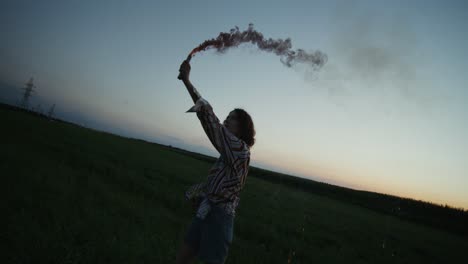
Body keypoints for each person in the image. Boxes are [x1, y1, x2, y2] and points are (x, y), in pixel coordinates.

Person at [175, 59, 255, 264]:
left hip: (220, 220)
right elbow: (220, 183)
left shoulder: (240, 150)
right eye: (226, 117)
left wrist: (187, 81)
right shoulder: (227, 151)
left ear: (243, 127)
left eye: (232, 118)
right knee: (182, 257)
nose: (226, 120)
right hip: (206, 211)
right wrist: (201, 192)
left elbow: (210, 119)